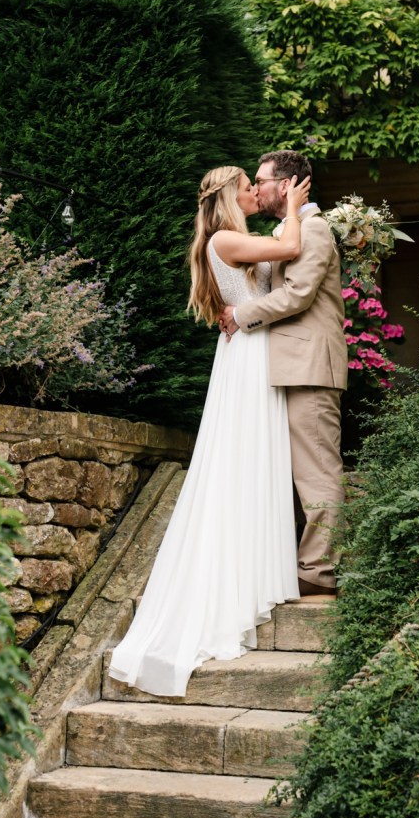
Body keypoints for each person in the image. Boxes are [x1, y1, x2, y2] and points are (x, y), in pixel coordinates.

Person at [108, 165, 311, 697]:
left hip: (248, 349)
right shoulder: (225, 237)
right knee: (242, 464)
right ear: (228, 195)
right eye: (248, 187)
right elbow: (289, 249)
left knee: (252, 464)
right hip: (246, 358)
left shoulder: (234, 238)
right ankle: (239, 584)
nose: (254, 192)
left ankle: (258, 573)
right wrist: (293, 208)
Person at [220, 150, 347, 599]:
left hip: (309, 367)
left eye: (262, 180)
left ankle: (318, 572)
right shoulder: (291, 228)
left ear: (288, 184)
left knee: (317, 473)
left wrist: (241, 313)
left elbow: (297, 296)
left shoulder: (313, 229)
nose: (256, 189)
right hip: (286, 368)